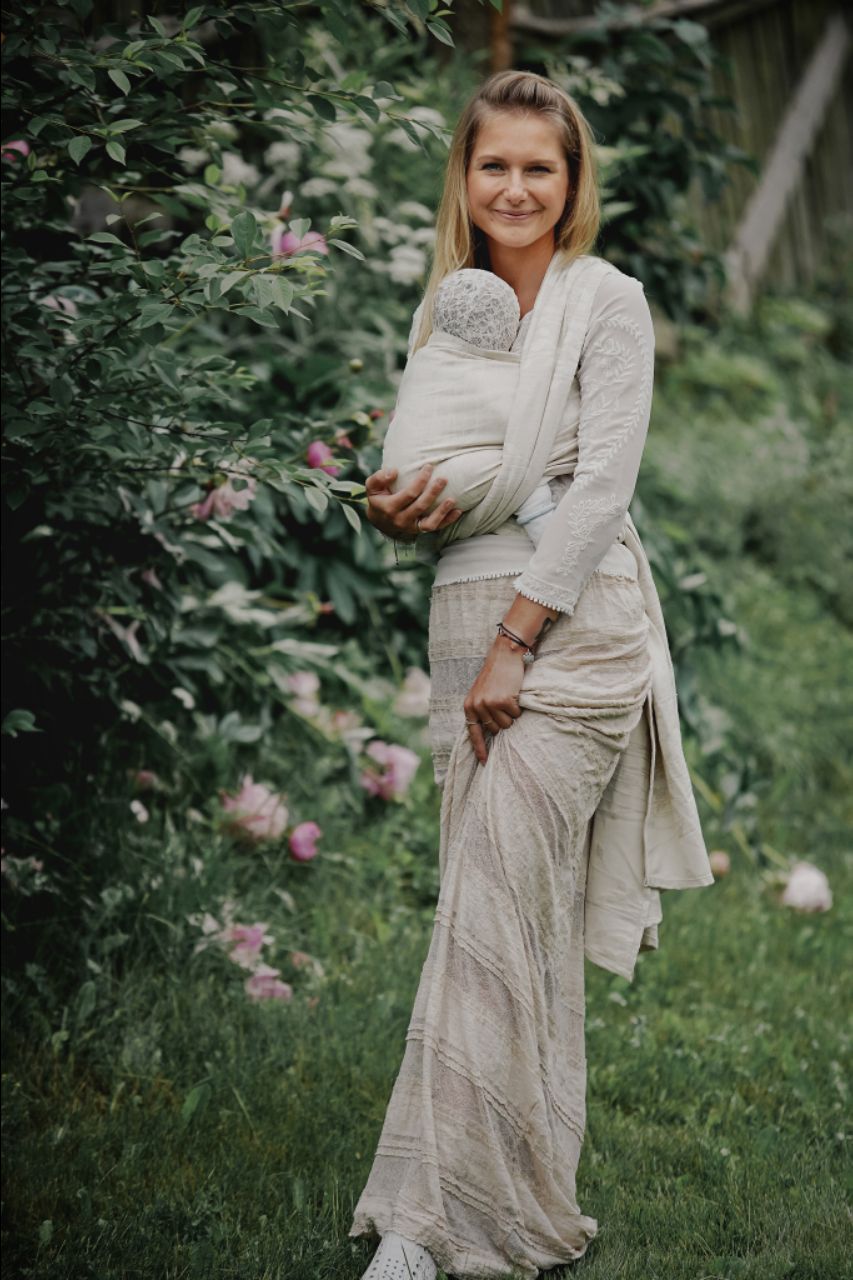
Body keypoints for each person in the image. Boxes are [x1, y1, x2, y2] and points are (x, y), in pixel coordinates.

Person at [349, 69, 714, 1280]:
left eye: (537, 167)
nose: (513, 187)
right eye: (492, 164)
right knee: (500, 912)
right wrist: (395, 510)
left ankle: (418, 1224)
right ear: (464, 177)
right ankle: (517, 1192)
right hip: (466, 613)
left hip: (574, 622)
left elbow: (599, 487)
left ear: (572, 181)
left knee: (490, 907)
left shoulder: (604, 301)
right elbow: (445, 466)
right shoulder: (448, 311)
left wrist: (518, 640)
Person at [381, 266, 557, 546]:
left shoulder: (425, 357)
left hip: (397, 478)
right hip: (430, 482)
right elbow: (519, 411)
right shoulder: (487, 373)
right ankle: (539, 516)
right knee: (521, 460)